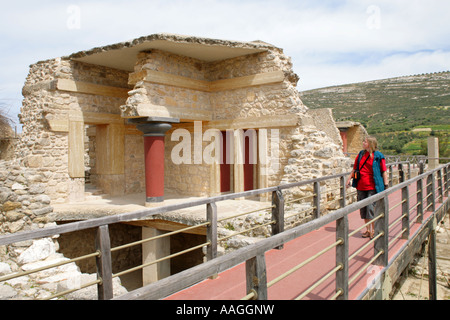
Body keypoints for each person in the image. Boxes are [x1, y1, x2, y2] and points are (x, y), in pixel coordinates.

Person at [346, 136, 389, 239]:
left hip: (373, 186)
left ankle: (374, 230)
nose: (363, 143)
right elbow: (355, 169)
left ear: (370, 143)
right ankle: (368, 230)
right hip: (361, 186)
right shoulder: (361, 154)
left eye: (365, 141)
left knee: (371, 208)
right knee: (364, 209)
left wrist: (386, 185)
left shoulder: (378, 156)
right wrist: (349, 179)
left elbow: (383, 171)